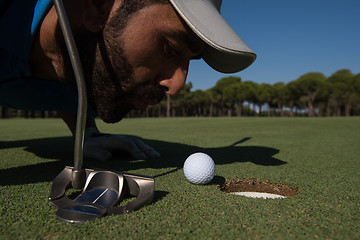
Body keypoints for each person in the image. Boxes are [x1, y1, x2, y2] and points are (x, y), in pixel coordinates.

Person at [0, 0, 256, 161]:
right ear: (98, 6)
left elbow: (71, 93)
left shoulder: (96, 77)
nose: (177, 85)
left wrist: (86, 133)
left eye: (191, 59)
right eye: (170, 48)